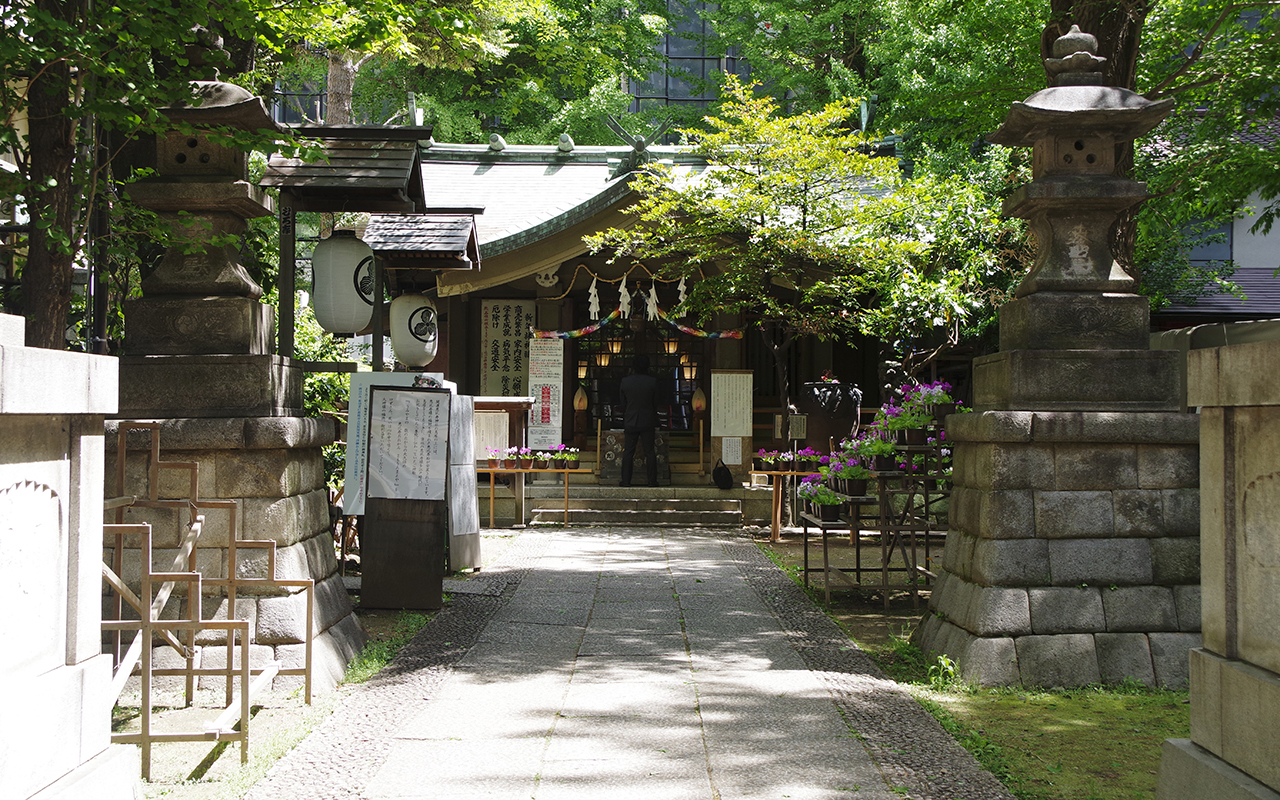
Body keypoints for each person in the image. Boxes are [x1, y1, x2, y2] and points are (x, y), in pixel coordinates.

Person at [619, 353, 659, 487]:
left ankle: (626, 480)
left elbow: (622, 402)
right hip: (648, 419)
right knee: (650, 451)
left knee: (628, 451)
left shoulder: (626, 381)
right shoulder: (652, 381)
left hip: (631, 418)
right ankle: (652, 480)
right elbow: (656, 402)